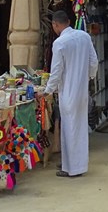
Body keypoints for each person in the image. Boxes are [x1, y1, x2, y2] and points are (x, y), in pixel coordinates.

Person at [39, 10, 99, 178]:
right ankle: (74, 163)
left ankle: (72, 168)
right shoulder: (84, 36)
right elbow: (93, 62)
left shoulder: (60, 42)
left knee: (69, 128)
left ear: (55, 25)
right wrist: (87, 77)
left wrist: (48, 90)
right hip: (81, 90)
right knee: (79, 127)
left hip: (68, 91)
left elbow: (56, 71)